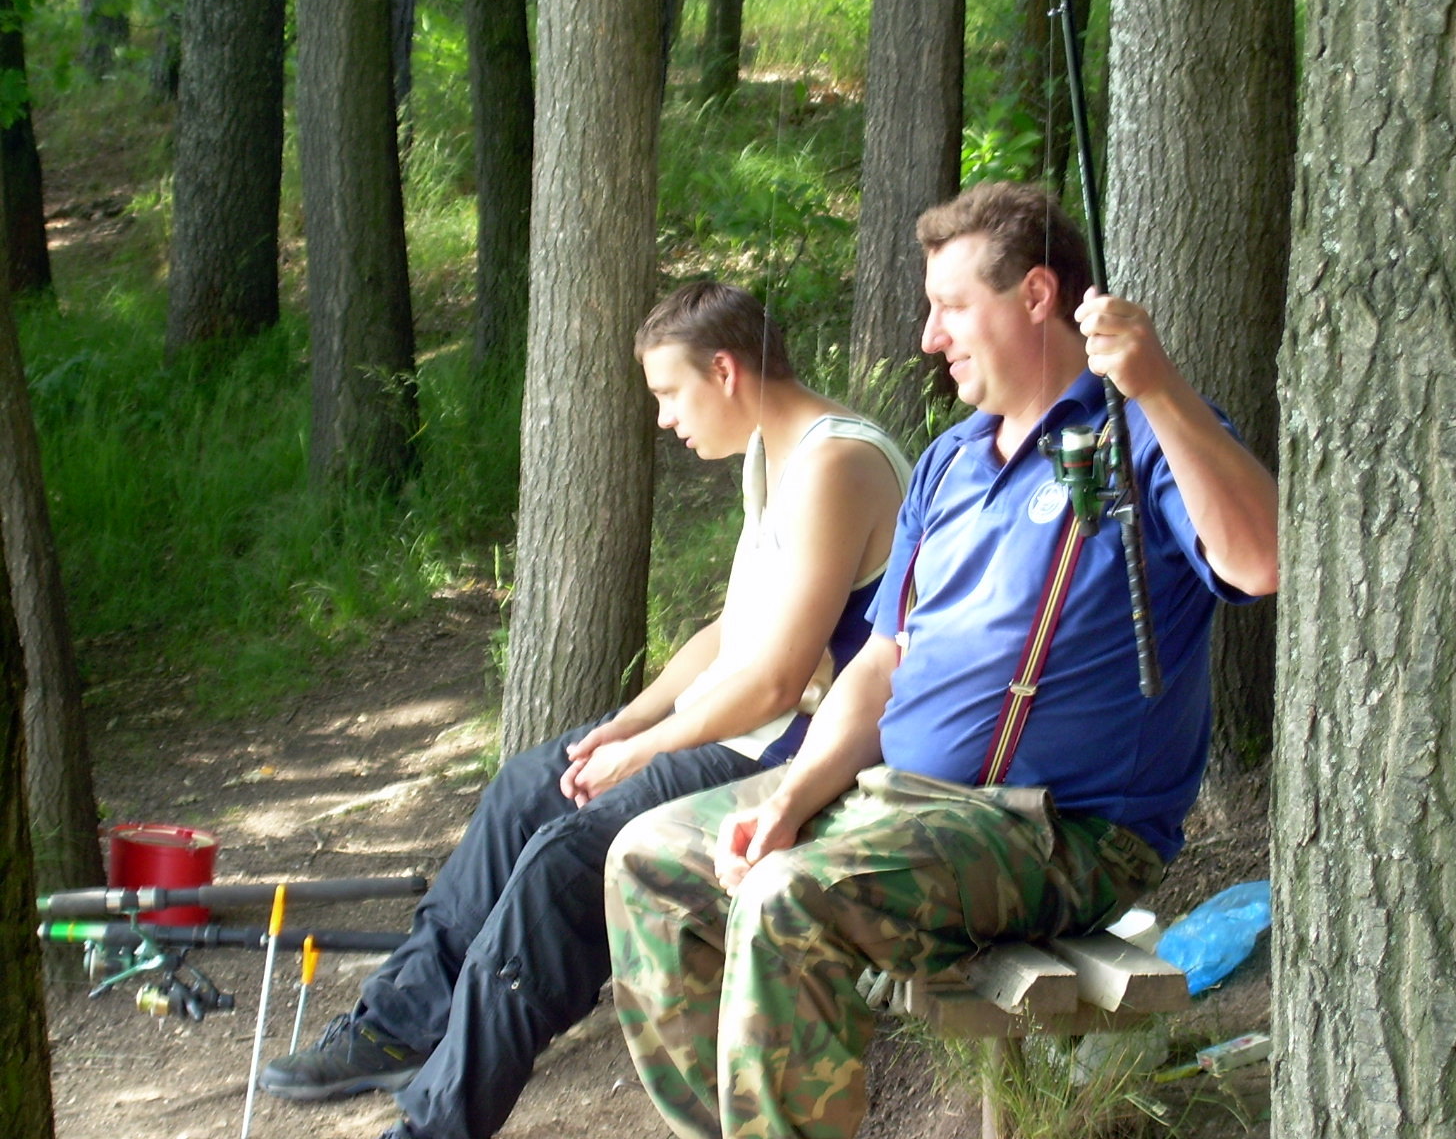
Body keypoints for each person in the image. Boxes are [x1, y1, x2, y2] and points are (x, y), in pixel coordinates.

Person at [603, 182, 1280, 1139]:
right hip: (902, 806)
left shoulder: (1142, 435)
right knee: (648, 859)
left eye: (952, 307)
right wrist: (791, 799)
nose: (930, 337)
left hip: (1061, 835)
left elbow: (1261, 561)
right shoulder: (948, 463)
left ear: (1036, 296)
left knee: (792, 898)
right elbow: (878, 665)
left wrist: (1159, 389)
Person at [260, 281, 912, 1139]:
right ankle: (398, 1025)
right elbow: (733, 633)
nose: (664, 419)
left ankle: (436, 1126)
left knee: (561, 865)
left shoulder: (837, 464)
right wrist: (630, 723)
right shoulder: (771, 450)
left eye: (669, 393)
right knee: (525, 789)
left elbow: (778, 681)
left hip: (798, 749)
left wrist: (649, 751)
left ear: (725, 371)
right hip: (746, 727)